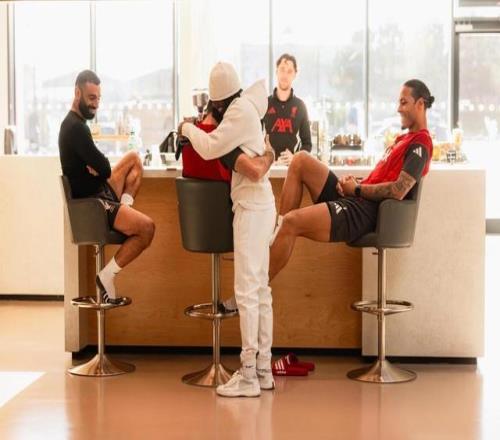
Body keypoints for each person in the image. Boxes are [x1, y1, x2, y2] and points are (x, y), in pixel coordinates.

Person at [268, 79, 434, 281]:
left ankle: (256, 291)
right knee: (300, 160)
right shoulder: (402, 140)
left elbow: (399, 190)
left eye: (404, 102)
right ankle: (276, 234)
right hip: (356, 200)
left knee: (292, 222)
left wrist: (356, 189)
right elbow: (381, 179)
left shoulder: (421, 143)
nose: (398, 108)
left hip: (365, 211)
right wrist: (354, 182)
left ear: (420, 104)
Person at [178, 62, 276, 398]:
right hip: (263, 206)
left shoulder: (237, 113)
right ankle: (263, 369)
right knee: (260, 291)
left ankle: (248, 375)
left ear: (218, 102)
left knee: (246, 292)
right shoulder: (248, 108)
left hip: (250, 208)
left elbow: (208, 147)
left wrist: (187, 128)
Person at [59, 70, 155, 304]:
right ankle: (106, 275)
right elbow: (103, 167)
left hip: (98, 193)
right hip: (94, 205)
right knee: (147, 229)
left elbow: (102, 170)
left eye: (99, 98)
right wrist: (98, 168)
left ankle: (124, 209)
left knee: (134, 158)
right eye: (91, 98)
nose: (96, 104)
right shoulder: (76, 128)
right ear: (77, 93)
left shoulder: (75, 124)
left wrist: (97, 168)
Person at [263, 53, 312, 166]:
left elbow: (307, 143)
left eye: (289, 71)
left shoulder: (300, 106)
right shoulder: (265, 103)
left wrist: (295, 158)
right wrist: (268, 158)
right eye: (282, 69)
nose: (285, 75)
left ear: (295, 75)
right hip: (268, 167)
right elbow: (254, 138)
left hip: (293, 167)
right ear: (276, 71)